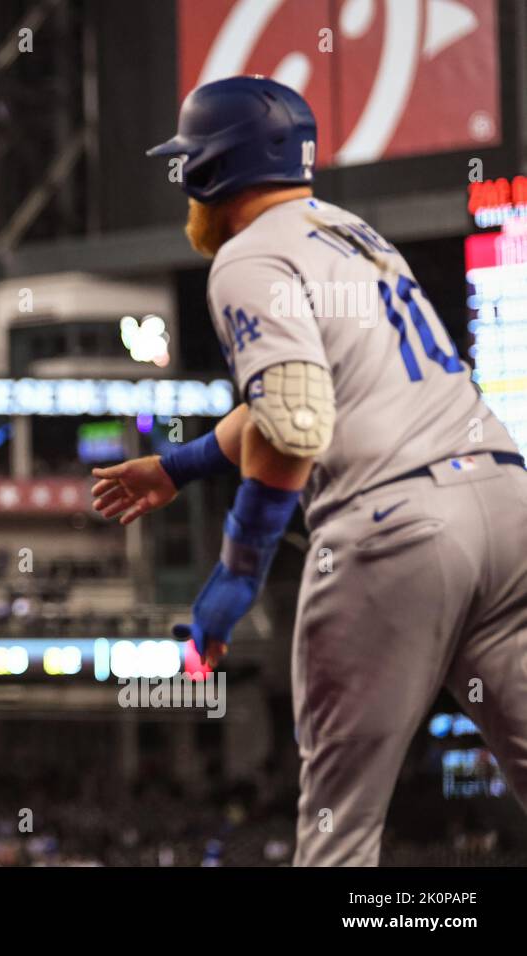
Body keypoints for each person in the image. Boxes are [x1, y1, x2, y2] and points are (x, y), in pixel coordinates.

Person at [94, 76, 527, 865]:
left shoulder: (246, 255)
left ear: (210, 175)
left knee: (339, 831)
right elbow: (303, 396)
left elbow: (296, 420)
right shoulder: (353, 233)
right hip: (506, 506)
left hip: (397, 528)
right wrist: (181, 465)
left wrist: (237, 569)